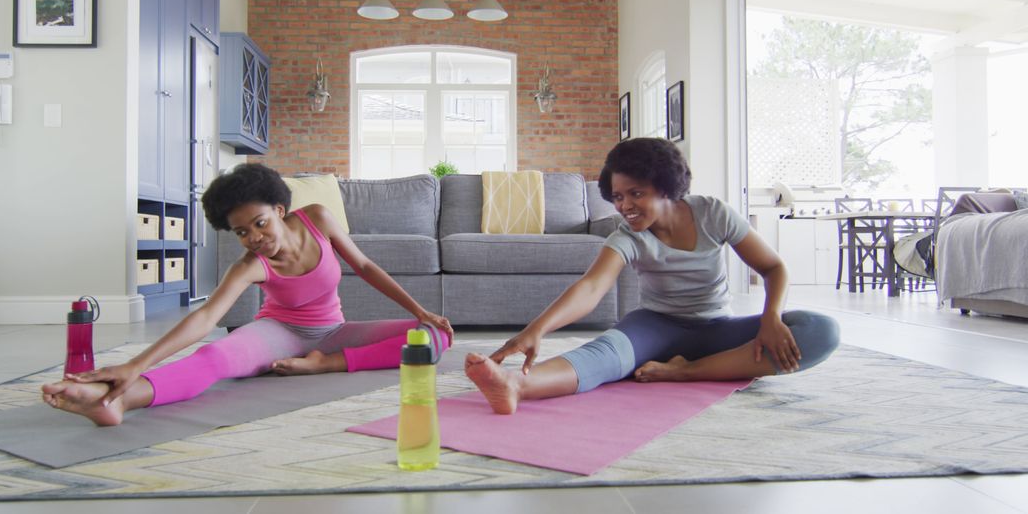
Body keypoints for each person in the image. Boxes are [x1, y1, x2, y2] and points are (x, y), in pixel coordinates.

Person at [42, 163, 452, 426]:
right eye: (241, 232)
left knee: (435, 337)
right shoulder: (248, 265)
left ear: (279, 209)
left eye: (259, 223)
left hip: (332, 334)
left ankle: (324, 365)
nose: (254, 238)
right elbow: (204, 319)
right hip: (279, 333)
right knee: (214, 358)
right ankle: (117, 401)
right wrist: (135, 364)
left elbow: (364, 267)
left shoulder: (318, 220)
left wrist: (421, 312)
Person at [464, 138, 839, 414]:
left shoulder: (714, 214)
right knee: (604, 353)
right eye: (617, 197)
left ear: (666, 187)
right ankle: (516, 386)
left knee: (819, 329)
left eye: (636, 193)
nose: (624, 206)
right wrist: (537, 329)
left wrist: (772, 317)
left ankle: (686, 372)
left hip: (718, 329)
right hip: (655, 327)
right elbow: (592, 286)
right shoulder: (627, 235)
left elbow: (774, 267)